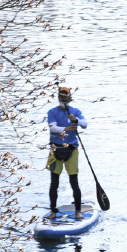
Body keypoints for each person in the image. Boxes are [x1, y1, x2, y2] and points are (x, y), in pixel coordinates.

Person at [46, 86, 88, 220]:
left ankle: (78, 211)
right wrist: (67, 128)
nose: (62, 99)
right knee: (54, 183)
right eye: (60, 96)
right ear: (58, 98)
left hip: (71, 149)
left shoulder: (75, 111)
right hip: (55, 149)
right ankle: (53, 211)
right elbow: (53, 128)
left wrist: (75, 120)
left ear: (70, 98)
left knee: (74, 182)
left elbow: (85, 124)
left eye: (65, 97)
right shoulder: (52, 112)